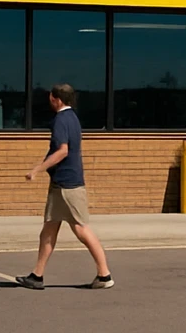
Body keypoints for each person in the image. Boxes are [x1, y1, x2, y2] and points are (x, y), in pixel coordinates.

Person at [16, 84, 113, 290]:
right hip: (61, 184)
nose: (49, 100)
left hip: (68, 185)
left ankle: (104, 275)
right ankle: (37, 276)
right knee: (49, 230)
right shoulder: (73, 118)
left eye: (51, 97)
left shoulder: (61, 120)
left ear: (56, 99)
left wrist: (37, 170)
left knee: (81, 229)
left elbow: (62, 151)